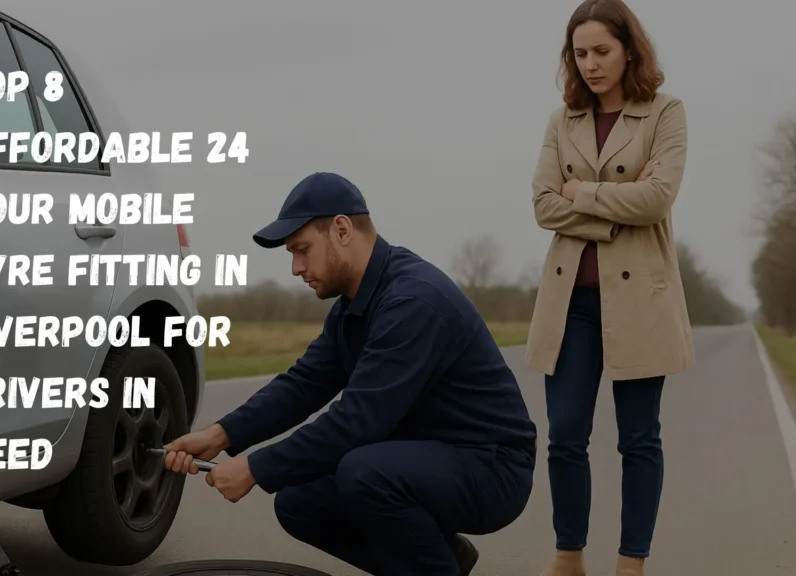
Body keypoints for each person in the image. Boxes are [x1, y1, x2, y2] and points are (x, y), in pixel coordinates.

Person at [163, 171, 538, 576]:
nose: (295, 267)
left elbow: (357, 421)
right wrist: (220, 435)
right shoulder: (353, 307)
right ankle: (438, 560)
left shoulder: (412, 302)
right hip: (430, 455)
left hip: (492, 467)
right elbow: (303, 384)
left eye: (302, 249)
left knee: (365, 473)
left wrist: (255, 469)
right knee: (298, 501)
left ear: (341, 229)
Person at [523, 1, 695, 575]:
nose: (591, 64)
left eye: (602, 51)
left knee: (638, 439)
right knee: (565, 436)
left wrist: (583, 194)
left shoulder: (665, 113)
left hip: (640, 303)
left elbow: (657, 198)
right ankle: (569, 556)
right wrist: (614, 209)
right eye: (580, 53)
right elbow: (544, 205)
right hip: (570, 302)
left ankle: (631, 563)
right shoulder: (561, 120)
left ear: (628, 49)